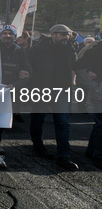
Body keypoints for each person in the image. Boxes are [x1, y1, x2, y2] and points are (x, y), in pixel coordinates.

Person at [28, 24, 79, 171]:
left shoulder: (70, 49)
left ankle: (64, 155)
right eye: (63, 34)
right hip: (41, 89)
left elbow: (76, 64)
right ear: (53, 34)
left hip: (61, 90)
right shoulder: (37, 49)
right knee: (38, 118)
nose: (66, 37)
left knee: (62, 122)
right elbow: (27, 66)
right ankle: (37, 146)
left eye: (68, 34)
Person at [0, 25, 31, 168]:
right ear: (0, 35)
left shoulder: (20, 52)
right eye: (4, 33)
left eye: (10, 34)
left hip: (10, 90)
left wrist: (16, 84)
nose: (7, 36)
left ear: (15, 36)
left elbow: (26, 71)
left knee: (3, 119)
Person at [76, 39, 102, 168]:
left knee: (99, 124)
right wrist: (95, 86)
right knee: (101, 124)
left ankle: (92, 151)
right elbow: (80, 70)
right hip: (99, 94)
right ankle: (97, 154)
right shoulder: (94, 52)